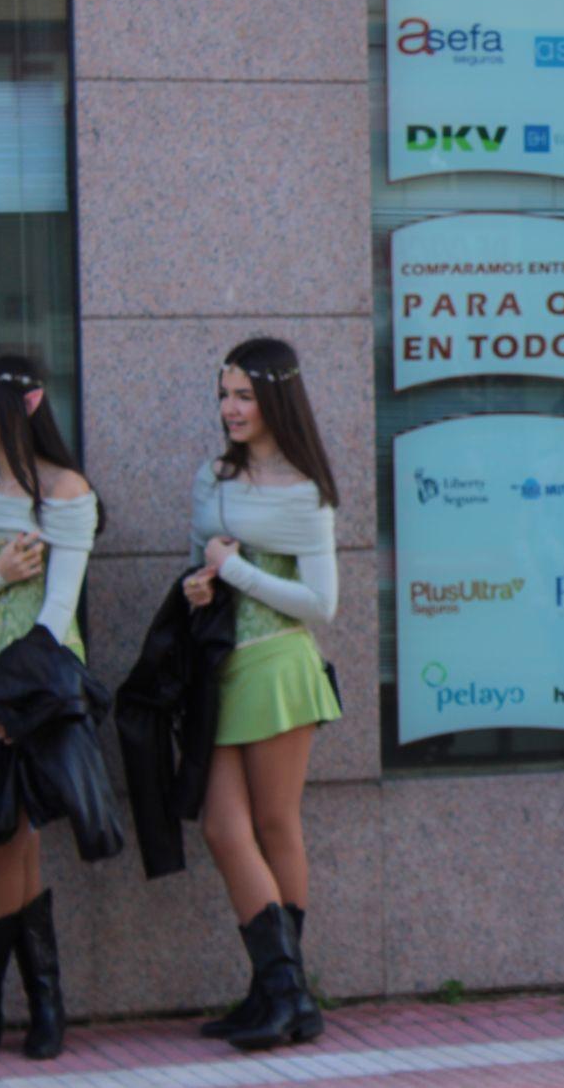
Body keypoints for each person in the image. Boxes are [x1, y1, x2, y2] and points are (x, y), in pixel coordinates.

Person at [0, 357, 102, 1065]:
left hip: (36, 691)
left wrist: (17, 704)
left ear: (18, 404)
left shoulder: (68, 490)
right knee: (9, 838)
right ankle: (43, 1006)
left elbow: (59, 611)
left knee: (4, 839)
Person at [182, 338, 340, 1050]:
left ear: (276, 398)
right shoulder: (212, 476)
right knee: (222, 826)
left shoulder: (308, 490)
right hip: (221, 670)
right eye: (224, 394)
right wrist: (202, 580)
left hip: (281, 668)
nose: (230, 408)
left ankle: (282, 992)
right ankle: (284, 991)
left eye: (243, 395)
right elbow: (204, 561)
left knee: (275, 824)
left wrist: (235, 571)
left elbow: (321, 603)